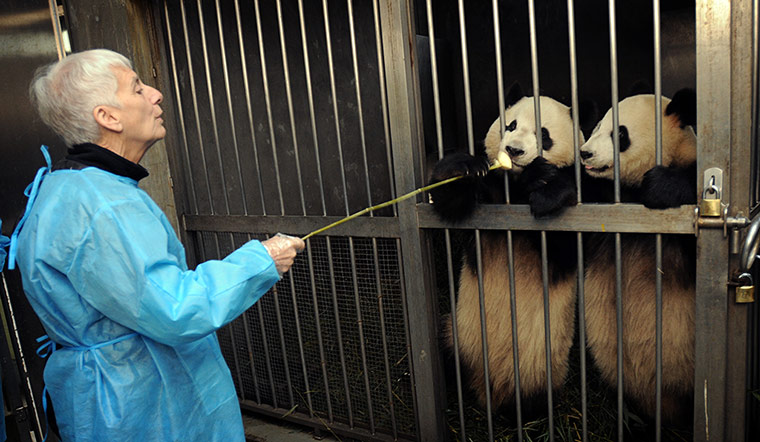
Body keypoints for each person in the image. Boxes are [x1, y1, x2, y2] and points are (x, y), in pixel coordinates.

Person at [8, 49, 304, 441]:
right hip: (140, 405)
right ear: (108, 117)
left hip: (112, 393)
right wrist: (261, 260)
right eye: (137, 88)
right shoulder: (101, 205)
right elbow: (173, 308)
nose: (156, 94)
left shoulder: (72, 188)